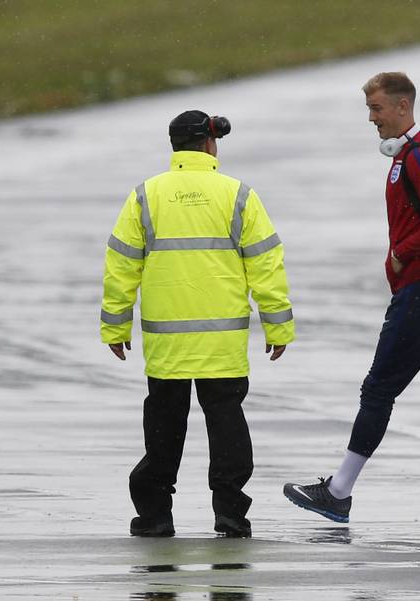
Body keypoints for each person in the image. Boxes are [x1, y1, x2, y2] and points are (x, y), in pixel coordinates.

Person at [283, 72, 420, 528]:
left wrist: (402, 254)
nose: (372, 118)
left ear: (403, 106)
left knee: (379, 389)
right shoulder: (407, 156)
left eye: (377, 108)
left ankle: (338, 492)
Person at [100, 110, 294, 538]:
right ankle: (230, 513)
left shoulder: (145, 196)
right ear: (210, 143)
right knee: (226, 423)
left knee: (164, 426)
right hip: (222, 341)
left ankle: (155, 516)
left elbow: (121, 266)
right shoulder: (238, 195)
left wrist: (115, 327)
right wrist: (278, 326)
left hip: (166, 341)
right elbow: (266, 265)